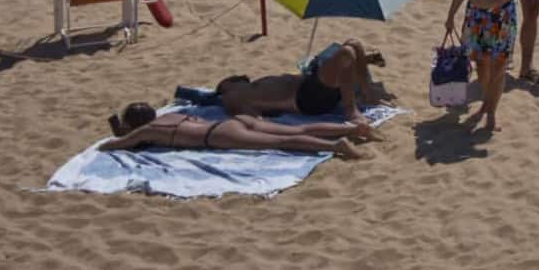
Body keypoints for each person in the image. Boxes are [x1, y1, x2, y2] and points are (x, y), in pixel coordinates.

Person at [444, 0, 529, 134]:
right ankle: (486, 102)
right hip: (477, 18)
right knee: (481, 66)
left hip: (502, 18)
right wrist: (450, 15)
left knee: (499, 67)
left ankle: (491, 112)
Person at [209, 42, 387, 133]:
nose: (238, 77)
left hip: (309, 85)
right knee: (346, 53)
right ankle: (351, 111)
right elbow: (254, 120)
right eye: (232, 79)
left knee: (354, 44)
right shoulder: (231, 97)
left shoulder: (250, 86)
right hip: (307, 99)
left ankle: (367, 91)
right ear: (225, 85)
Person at [98, 104, 371, 159]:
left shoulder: (149, 130)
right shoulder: (170, 115)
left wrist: (122, 134)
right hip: (233, 121)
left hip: (218, 135)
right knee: (296, 128)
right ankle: (353, 128)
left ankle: (336, 146)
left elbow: (112, 145)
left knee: (282, 141)